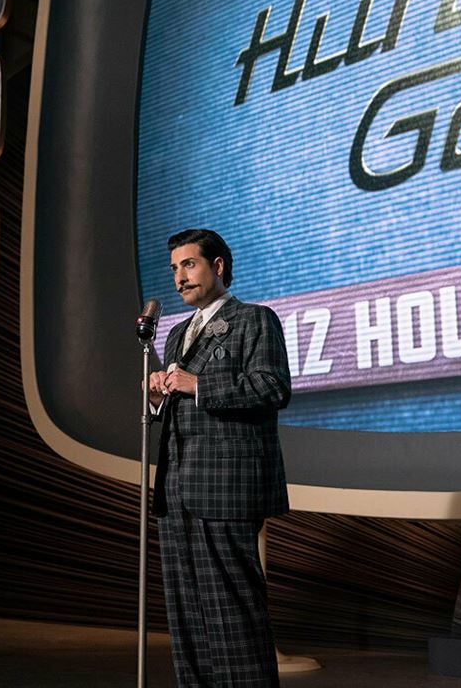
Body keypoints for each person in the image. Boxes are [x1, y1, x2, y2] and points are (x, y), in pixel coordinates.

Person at [147, 228, 290, 687]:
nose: (179, 277)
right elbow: (179, 408)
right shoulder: (176, 336)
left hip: (225, 489)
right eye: (174, 268)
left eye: (189, 264)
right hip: (177, 492)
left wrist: (199, 385)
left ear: (218, 266)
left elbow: (273, 388)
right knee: (188, 620)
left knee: (234, 619)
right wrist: (157, 398)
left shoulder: (254, 319)